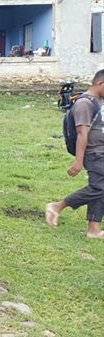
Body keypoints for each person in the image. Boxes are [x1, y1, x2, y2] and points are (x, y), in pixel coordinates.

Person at [46, 69, 104, 239]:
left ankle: (93, 229)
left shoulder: (98, 101)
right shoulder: (84, 103)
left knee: (99, 188)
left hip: (101, 152)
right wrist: (78, 161)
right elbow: (81, 134)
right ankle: (57, 206)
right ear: (101, 84)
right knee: (100, 188)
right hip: (94, 154)